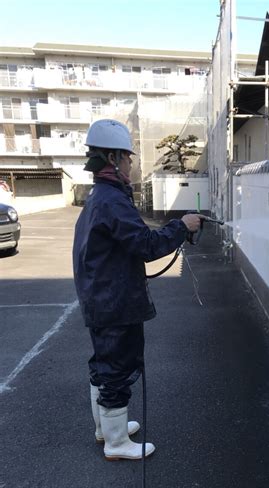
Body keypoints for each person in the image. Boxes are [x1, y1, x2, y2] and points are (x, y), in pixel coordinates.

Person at [72, 119, 202, 461]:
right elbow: (145, 244)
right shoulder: (112, 201)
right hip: (114, 302)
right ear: (114, 159)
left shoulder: (100, 197)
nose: (132, 164)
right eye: (128, 158)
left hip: (102, 298)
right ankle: (116, 443)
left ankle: (107, 428)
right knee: (116, 367)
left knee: (104, 364)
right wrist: (181, 226)